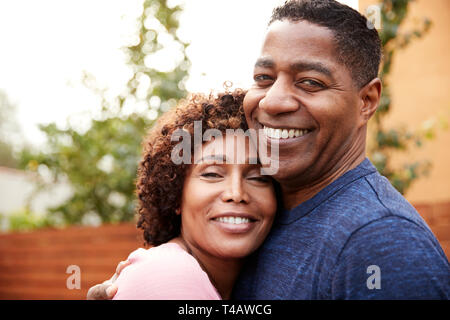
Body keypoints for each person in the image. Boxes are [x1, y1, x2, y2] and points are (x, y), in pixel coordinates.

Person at [88, 0, 450, 300]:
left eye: (310, 82)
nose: (273, 101)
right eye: (264, 79)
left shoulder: (380, 241)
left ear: (367, 101)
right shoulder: (263, 221)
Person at [90, 90, 278, 300]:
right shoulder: (169, 275)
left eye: (259, 177)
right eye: (212, 174)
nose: (236, 193)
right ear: (176, 195)